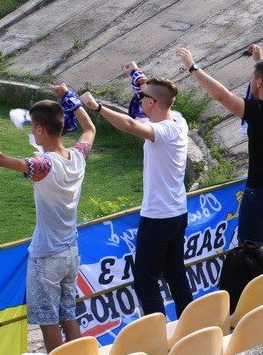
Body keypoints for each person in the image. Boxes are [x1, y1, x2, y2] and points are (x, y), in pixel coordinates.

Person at [0, 85, 95, 352]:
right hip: (71, 252)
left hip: (46, 256)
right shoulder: (78, 156)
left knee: (48, 320)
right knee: (68, 313)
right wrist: (68, 96)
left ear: (40, 130)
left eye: (32, 127)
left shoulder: (44, 165)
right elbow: (90, 128)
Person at [79, 75, 193, 317]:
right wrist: (137, 74)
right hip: (177, 212)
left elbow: (131, 125)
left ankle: (157, 333)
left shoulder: (164, 130)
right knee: (175, 273)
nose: (138, 98)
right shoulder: (178, 119)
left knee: (145, 280)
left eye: (142, 96)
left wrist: (97, 107)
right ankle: (191, 324)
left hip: (159, 217)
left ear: (152, 102)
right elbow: (157, 96)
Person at [177, 44, 263, 257]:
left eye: (252, 78)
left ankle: (255, 278)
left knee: (249, 248)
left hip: (261, 190)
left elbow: (221, 95)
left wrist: (193, 66)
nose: (250, 82)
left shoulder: (258, 111)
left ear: (259, 82)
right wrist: (260, 61)